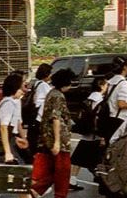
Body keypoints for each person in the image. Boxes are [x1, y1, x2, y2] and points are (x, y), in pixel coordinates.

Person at [32, 68, 75, 198]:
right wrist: (57, 142)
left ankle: (36, 189)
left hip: (47, 137)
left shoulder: (51, 93)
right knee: (63, 171)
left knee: (51, 170)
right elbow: (56, 118)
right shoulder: (58, 96)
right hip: (59, 139)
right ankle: (58, 195)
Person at [70, 76, 107, 184]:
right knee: (98, 160)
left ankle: (72, 179)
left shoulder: (87, 99)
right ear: (101, 86)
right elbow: (102, 119)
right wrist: (103, 136)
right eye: (105, 84)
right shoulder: (101, 101)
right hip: (96, 134)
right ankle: (102, 179)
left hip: (85, 132)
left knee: (78, 158)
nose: (107, 87)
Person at [103, 56, 127, 140]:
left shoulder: (111, 82)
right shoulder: (123, 83)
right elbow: (121, 104)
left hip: (111, 118)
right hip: (120, 120)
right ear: (125, 67)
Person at [28, 63, 53, 154]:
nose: (51, 75)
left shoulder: (37, 83)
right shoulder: (43, 85)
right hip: (40, 115)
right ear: (46, 74)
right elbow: (51, 97)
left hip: (35, 114)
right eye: (50, 73)